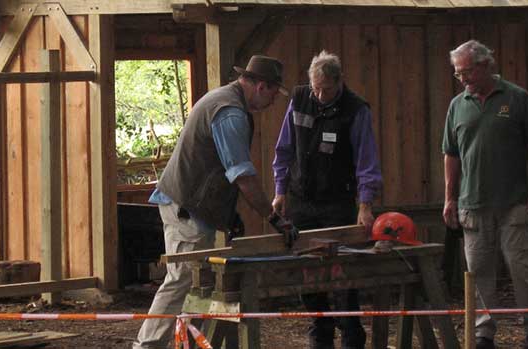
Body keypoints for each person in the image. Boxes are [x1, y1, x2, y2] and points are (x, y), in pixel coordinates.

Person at [133, 55, 296, 349]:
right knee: (182, 279)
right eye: (274, 92)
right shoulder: (230, 113)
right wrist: (274, 219)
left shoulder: (224, 100)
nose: (274, 101)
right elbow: (242, 176)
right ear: (261, 86)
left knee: (194, 282)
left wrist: (228, 213)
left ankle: (185, 343)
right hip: (186, 206)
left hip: (192, 205)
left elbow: (220, 170)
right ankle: (147, 346)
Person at [441, 40, 528, 349]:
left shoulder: (517, 99)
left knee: (521, 268)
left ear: (486, 65)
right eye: (457, 74)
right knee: (477, 273)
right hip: (472, 204)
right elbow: (450, 153)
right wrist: (449, 197)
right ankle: (483, 333)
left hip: (515, 202)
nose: (462, 79)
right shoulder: (457, 105)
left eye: (466, 72)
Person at [272, 50, 382, 349]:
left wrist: (365, 204)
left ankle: (351, 332)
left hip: (338, 201)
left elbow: (366, 161)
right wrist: (280, 190)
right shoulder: (299, 99)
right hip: (301, 199)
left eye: (327, 89)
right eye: (315, 88)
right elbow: (284, 149)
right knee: (306, 268)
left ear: (339, 81)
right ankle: (320, 330)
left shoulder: (356, 110)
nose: (320, 95)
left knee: (342, 269)